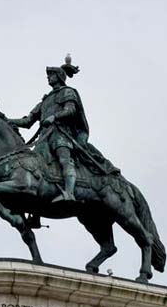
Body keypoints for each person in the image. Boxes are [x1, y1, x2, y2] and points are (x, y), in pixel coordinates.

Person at [9, 55, 119, 204]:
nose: (48, 78)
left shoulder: (68, 92)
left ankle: (69, 193)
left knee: (64, 159)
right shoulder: (46, 100)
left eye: (51, 75)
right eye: (48, 76)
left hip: (62, 134)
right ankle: (35, 210)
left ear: (59, 76)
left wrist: (54, 117)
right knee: (34, 170)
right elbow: (28, 121)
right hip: (44, 138)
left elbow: (71, 110)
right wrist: (6, 121)